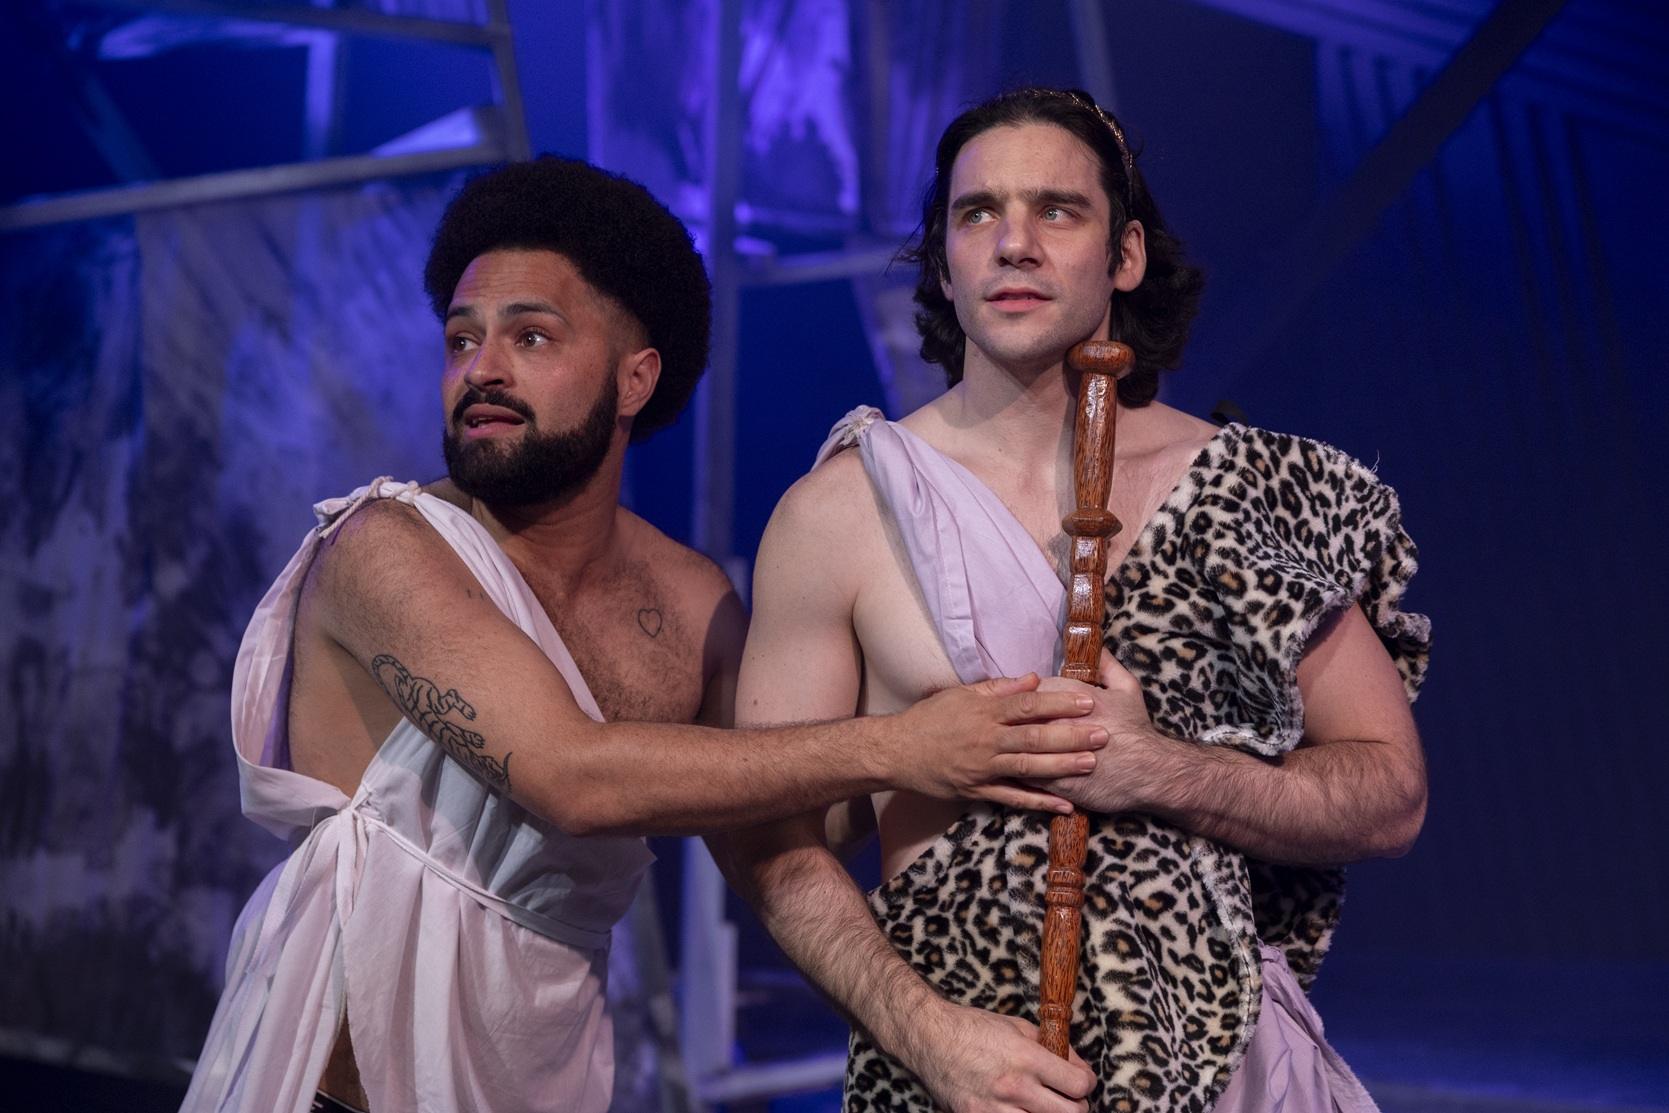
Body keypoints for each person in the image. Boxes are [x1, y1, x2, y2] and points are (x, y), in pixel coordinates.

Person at [179, 156, 1109, 1113]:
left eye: (529, 336)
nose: (480, 369)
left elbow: (785, 840)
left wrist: (931, 1031)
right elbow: (572, 777)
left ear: (635, 379)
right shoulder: (386, 546)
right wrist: (898, 743)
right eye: (461, 339)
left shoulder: (692, 601)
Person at [720, 88, 1432, 1112]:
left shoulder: (1249, 491)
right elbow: (773, 838)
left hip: (1225, 1065)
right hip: (960, 1073)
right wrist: (926, 1034)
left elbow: (1391, 795)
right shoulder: (843, 512)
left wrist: (1158, 769)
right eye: (977, 214)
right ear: (943, 262)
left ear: (1125, 254)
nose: (1013, 244)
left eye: (1056, 210)